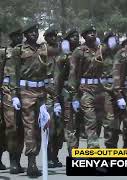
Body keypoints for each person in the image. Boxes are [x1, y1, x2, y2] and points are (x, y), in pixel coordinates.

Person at [11, 22, 50, 177]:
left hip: (41, 92)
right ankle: (31, 163)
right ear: (25, 35)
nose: (34, 34)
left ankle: (35, 158)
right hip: (26, 92)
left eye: (36, 31)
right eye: (31, 32)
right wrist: (14, 95)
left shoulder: (43, 48)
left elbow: (48, 71)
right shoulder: (19, 49)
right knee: (29, 128)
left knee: (40, 128)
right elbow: (14, 73)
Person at [67, 25, 106, 148]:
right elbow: (72, 73)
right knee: (91, 121)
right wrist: (73, 96)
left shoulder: (101, 50)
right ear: (84, 36)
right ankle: (92, 153)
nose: (92, 34)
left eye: (94, 32)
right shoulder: (79, 51)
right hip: (85, 90)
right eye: (89, 33)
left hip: (99, 90)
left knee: (98, 122)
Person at [0, 25, 24, 173]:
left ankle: (17, 160)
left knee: (21, 127)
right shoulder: (4, 52)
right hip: (7, 93)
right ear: (11, 38)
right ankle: (11, 160)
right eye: (16, 36)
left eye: (21, 36)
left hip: (24, 92)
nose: (19, 38)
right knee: (10, 127)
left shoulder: (25, 52)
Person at [55, 28, 81, 155]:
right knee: (70, 122)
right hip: (68, 92)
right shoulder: (63, 56)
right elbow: (58, 77)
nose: (75, 38)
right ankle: (73, 152)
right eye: (72, 36)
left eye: (77, 36)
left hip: (83, 91)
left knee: (80, 123)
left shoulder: (83, 52)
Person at [44, 27, 64, 168]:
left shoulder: (61, 52)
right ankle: (48, 157)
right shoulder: (42, 53)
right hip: (48, 92)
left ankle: (55, 156)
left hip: (62, 90)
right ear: (46, 38)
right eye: (50, 36)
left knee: (60, 129)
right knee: (50, 127)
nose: (53, 38)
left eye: (55, 36)